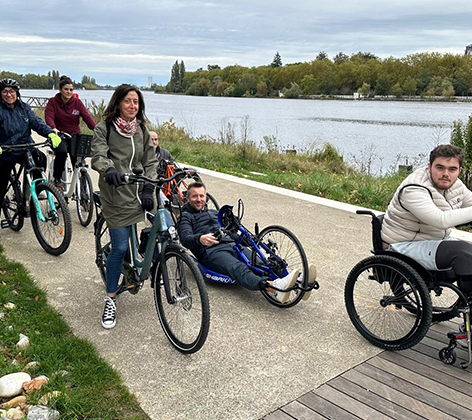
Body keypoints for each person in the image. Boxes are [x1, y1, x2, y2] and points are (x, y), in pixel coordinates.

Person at [381, 144, 472, 356]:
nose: (445, 174)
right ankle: (470, 327)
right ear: (429, 166)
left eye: (452, 169)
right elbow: (440, 220)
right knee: (464, 253)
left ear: (459, 170)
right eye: (439, 167)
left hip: (435, 242)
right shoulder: (414, 188)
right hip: (403, 245)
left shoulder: (455, 185)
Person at [91, 84, 158, 329]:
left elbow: (150, 161)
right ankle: (110, 300)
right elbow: (98, 154)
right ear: (118, 102)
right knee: (119, 246)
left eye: (136, 102)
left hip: (139, 191)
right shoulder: (104, 128)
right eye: (128, 101)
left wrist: (150, 187)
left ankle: (145, 264)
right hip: (115, 192)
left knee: (162, 224)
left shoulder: (141, 130)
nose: (132, 106)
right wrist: (108, 170)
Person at [178, 181, 311, 302]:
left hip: (232, 244)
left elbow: (231, 232)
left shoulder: (214, 212)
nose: (199, 199)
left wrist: (248, 240)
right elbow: (184, 238)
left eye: (201, 196)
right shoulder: (186, 216)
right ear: (188, 198)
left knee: (260, 263)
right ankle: (273, 288)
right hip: (211, 250)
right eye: (194, 196)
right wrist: (200, 239)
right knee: (238, 268)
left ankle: (296, 282)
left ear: (206, 197)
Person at [0, 78, 61, 242]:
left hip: (23, 147)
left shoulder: (24, 108)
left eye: (12, 91)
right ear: (0, 93)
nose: (9, 94)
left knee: (40, 159)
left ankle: (34, 190)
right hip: (2, 151)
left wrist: (50, 133)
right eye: (5, 91)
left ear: (17, 93)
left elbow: (36, 122)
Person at [44, 76, 96, 188]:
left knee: (78, 158)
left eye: (71, 90)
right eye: (66, 89)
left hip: (74, 136)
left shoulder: (77, 102)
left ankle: (82, 188)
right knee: (62, 152)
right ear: (60, 89)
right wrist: (53, 128)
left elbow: (87, 117)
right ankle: (57, 180)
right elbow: (48, 117)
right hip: (59, 135)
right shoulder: (53, 102)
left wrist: (96, 130)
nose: (69, 92)